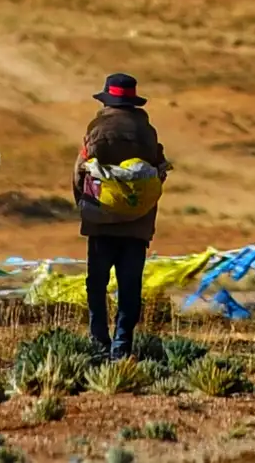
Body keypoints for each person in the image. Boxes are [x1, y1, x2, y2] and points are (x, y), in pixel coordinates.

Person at [73, 74, 173, 359]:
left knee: (96, 284)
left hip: (101, 222)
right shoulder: (148, 133)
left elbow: (80, 171)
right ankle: (122, 345)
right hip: (136, 226)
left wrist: (85, 205)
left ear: (107, 100)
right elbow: (157, 175)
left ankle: (99, 341)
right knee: (130, 286)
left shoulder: (96, 129)